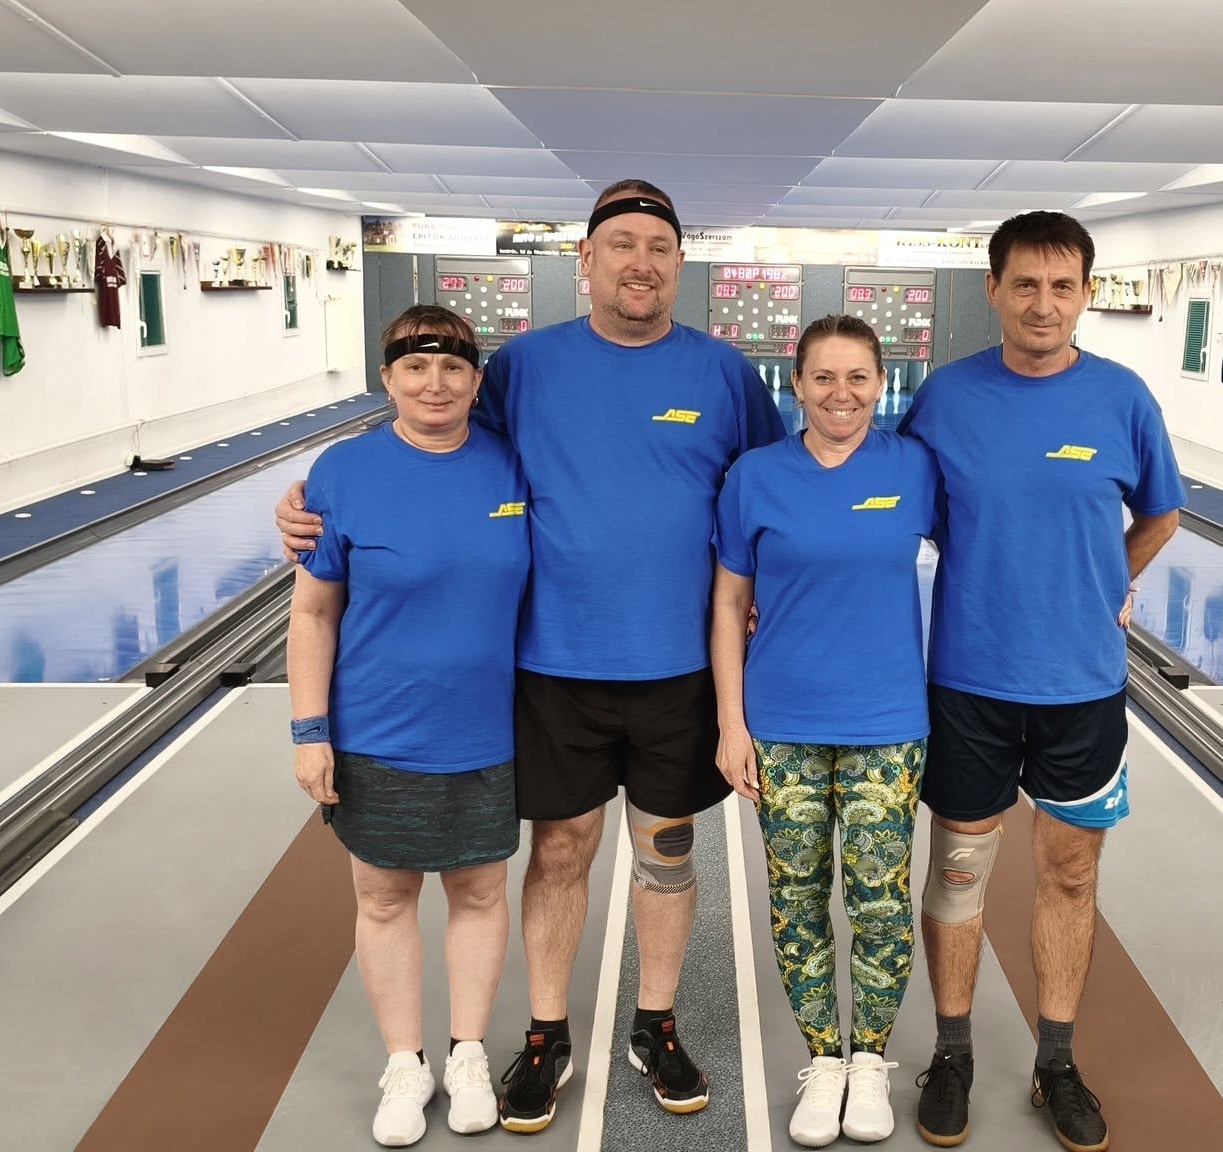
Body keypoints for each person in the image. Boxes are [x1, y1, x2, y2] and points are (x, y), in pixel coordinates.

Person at [279, 181, 786, 1133]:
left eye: (660, 248)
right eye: (621, 244)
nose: (641, 263)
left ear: (681, 264)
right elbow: (440, 454)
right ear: (585, 261)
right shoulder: (522, 368)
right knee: (560, 849)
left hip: (678, 665)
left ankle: (656, 1024)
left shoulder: (723, 374)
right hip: (554, 666)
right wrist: (318, 508)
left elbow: (773, 484)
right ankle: (546, 1034)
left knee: (666, 851)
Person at [896, 211, 1185, 1152]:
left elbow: (1161, 513)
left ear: (1087, 294)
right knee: (959, 872)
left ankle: (1055, 1062)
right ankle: (953, 1054)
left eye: (1063, 287)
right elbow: (894, 514)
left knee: (1069, 872)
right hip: (970, 683)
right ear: (993, 290)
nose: (1043, 304)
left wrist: (1110, 583)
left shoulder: (1123, 398)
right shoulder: (946, 397)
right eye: (1025, 284)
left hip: (1082, 689)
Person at [286, 305, 528, 1146]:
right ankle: (404, 1062)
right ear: (387, 379)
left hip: (486, 729)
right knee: (385, 897)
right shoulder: (343, 472)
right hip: (378, 729)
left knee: (480, 891)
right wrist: (308, 731)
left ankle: (467, 1054)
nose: (435, 384)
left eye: (453, 368)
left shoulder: (512, 464)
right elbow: (314, 613)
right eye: (416, 368)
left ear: (476, 381)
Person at [709, 316, 939, 1147]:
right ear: (797, 384)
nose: (842, 395)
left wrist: (1111, 586)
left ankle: (869, 1061)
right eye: (824, 378)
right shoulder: (754, 476)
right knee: (797, 900)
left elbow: (996, 544)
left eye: (858, 378)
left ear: (880, 384)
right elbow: (729, 603)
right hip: (783, 726)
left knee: (879, 902)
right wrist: (731, 723)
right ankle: (823, 1060)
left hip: (886, 727)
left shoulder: (914, 467)